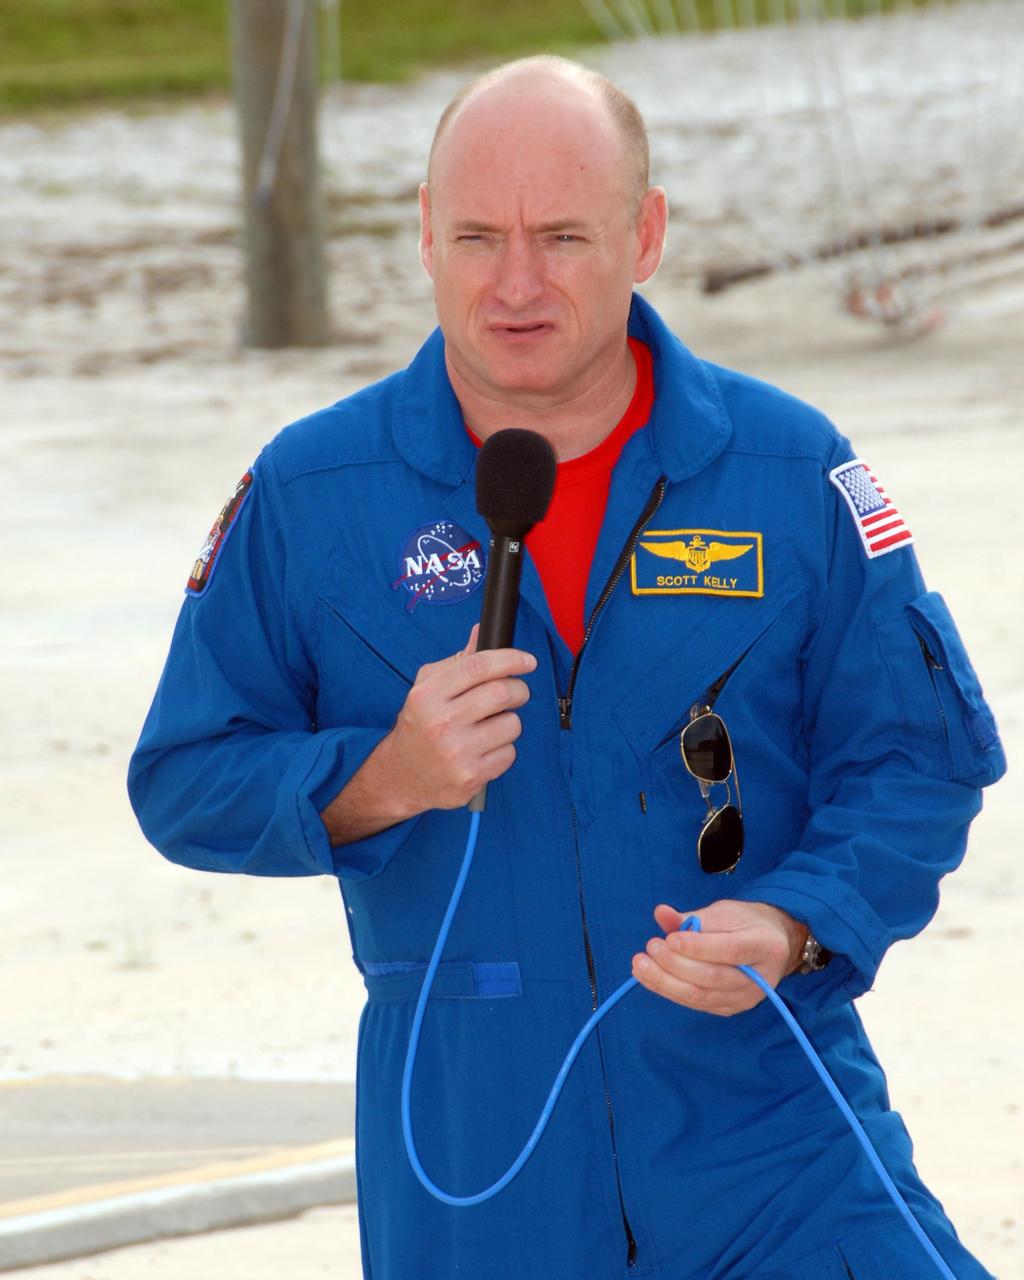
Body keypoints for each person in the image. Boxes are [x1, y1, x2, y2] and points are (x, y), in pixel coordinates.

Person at [128, 56, 1006, 1280]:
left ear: (644, 235)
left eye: (563, 235)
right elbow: (182, 776)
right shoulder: (312, 492)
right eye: (479, 236)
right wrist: (379, 776)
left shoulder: (786, 468)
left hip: (772, 1130)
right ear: (425, 236)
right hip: (476, 1155)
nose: (517, 283)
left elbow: (916, 760)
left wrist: (799, 921)